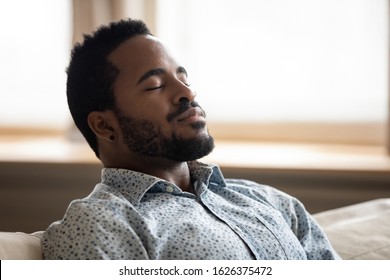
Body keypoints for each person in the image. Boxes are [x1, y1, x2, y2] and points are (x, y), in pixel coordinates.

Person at [43, 18, 340, 260]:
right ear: (105, 126)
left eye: (184, 79)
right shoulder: (98, 225)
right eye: (155, 86)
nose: (188, 93)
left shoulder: (270, 202)